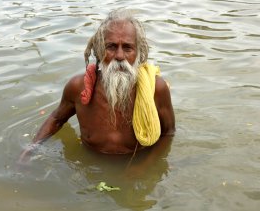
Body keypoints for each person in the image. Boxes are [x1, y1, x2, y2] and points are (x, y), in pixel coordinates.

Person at [19, 9, 175, 163]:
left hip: (137, 164)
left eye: (127, 47)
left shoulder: (156, 89)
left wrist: (143, 168)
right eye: (111, 47)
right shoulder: (77, 88)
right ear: (99, 50)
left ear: (138, 52)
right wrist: (30, 150)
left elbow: (168, 134)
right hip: (89, 168)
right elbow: (56, 118)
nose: (120, 56)